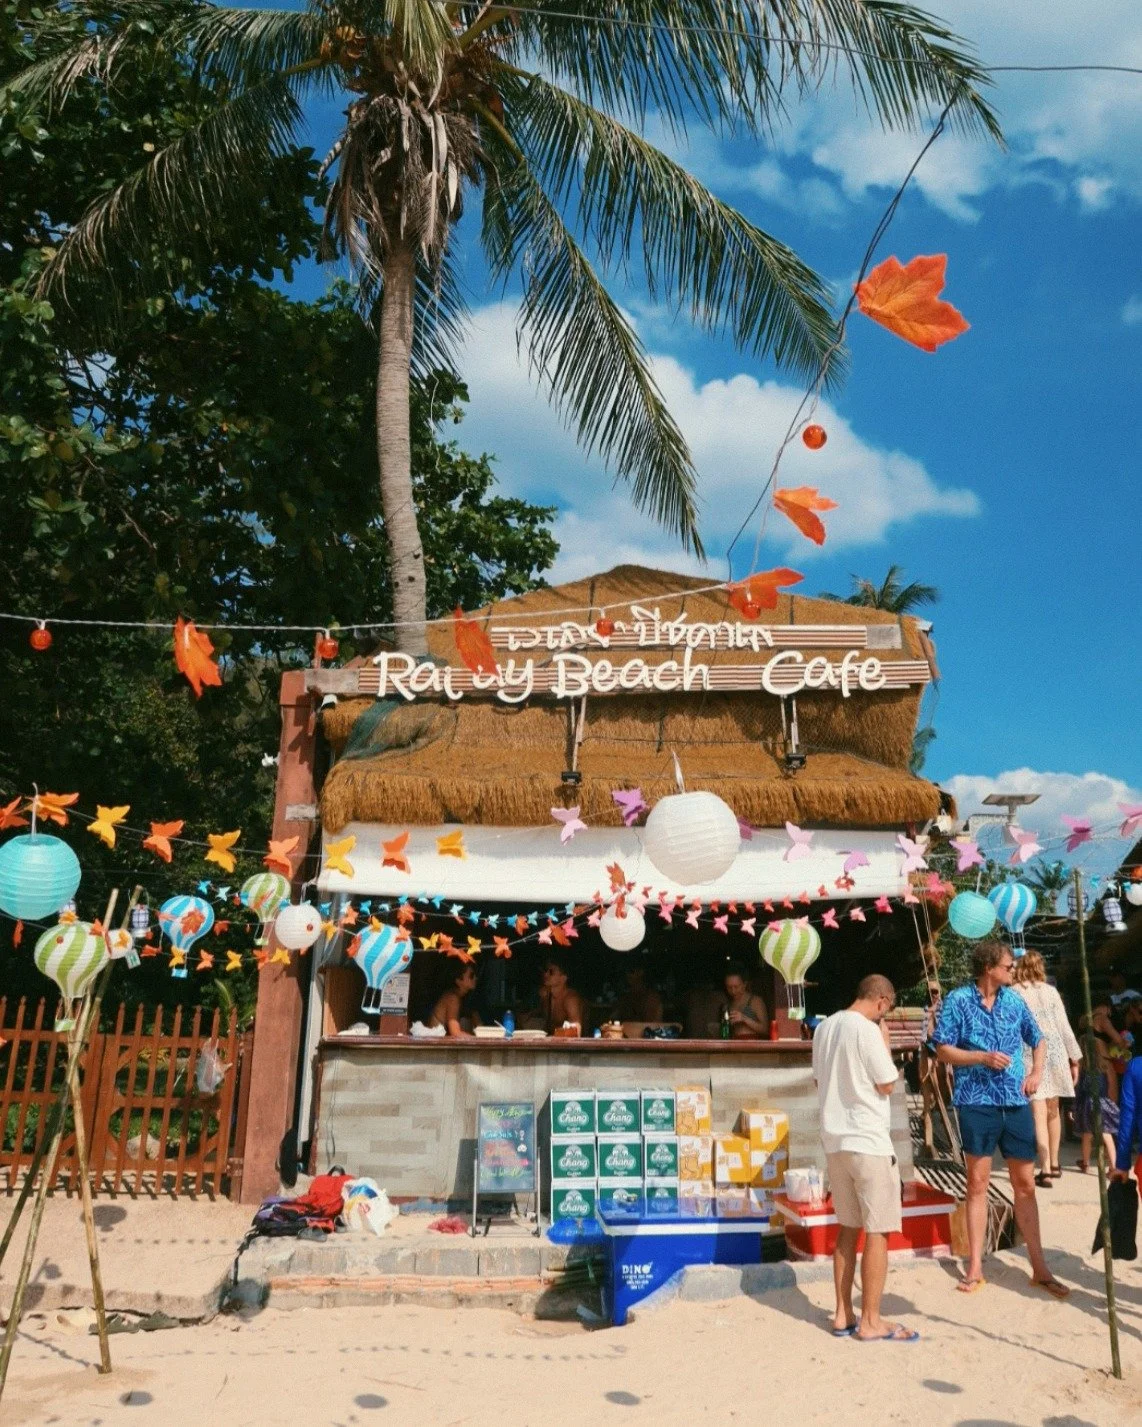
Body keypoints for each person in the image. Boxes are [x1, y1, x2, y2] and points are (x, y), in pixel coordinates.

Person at [933, 941, 1069, 1299]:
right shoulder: (958, 1000)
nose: (1013, 969)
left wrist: (1037, 1073)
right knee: (976, 1184)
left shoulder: (1014, 1001)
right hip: (975, 1103)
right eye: (1009, 965)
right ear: (990, 966)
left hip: (1015, 1101)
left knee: (1024, 1184)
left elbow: (1039, 1040)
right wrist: (979, 1057)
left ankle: (1039, 1267)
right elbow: (942, 1048)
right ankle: (975, 1266)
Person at [812, 974, 917, 1342]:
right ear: (883, 1001)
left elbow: (818, 1081)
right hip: (868, 1141)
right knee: (878, 1231)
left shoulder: (823, 1028)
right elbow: (886, 1083)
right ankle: (871, 1320)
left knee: (847, 1228)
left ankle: (843, 1313)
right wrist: (886, 1044)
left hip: (835, 1140)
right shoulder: (867, 1030)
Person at [1011, 952, 1083, 1187]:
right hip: (1056, 1050)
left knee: (1038, 1112)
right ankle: (1054, 1162)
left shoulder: (1015, 992)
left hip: (1030, 1051)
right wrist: (1075, 1058)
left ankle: (1044, 1169)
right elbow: (1064, 1026)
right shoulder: (1051, 991)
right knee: (1054, 1110)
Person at [1073, 1000, 1123, 1173]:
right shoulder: (1102, 1019)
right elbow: (1118, 1040)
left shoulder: (1082, 1021)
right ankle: (1114, 1165)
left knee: (1088, 1126)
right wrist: (1123, 1044)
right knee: (1105, 1125)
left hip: (1086, 1070)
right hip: (1103, 1068)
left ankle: (1085, 1162)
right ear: (1106, 1007)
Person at [425, 962, 482, 1038]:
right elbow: (455, 1033)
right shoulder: (453, 998)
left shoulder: (460, 998)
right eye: (471, 975)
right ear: (458, 980)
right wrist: (478, 1040)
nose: (475, 978)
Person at [540, 956, 587, 1034]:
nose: (546, 974)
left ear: (563, 978)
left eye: (551, 972)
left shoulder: (571, 999)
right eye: (545, 970)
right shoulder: (546, 996)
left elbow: (576, 1033)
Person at [721, 963, 768, 1040]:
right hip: (734, 1044)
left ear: (744, 984)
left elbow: (765, 1030)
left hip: (752, 1045)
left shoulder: (756, 1001)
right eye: (729, 987)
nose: (733, 991)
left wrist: (744, 1018)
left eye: (736, 987)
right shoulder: (728, 1005)